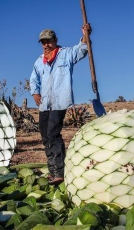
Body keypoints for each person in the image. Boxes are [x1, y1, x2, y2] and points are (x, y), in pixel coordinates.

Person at [30, 24, 92, 185]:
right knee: (45, 136)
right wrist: (35, 93)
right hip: (45, 104)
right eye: (43, 42)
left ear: (55, 40)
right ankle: (52, 171)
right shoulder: (39, 61)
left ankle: (59, 171)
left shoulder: (65, 54)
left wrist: (85, 35)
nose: (46, 45)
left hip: (59, 101)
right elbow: (34, 78)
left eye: (49, 41)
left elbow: (82, 50)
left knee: (53, 134)